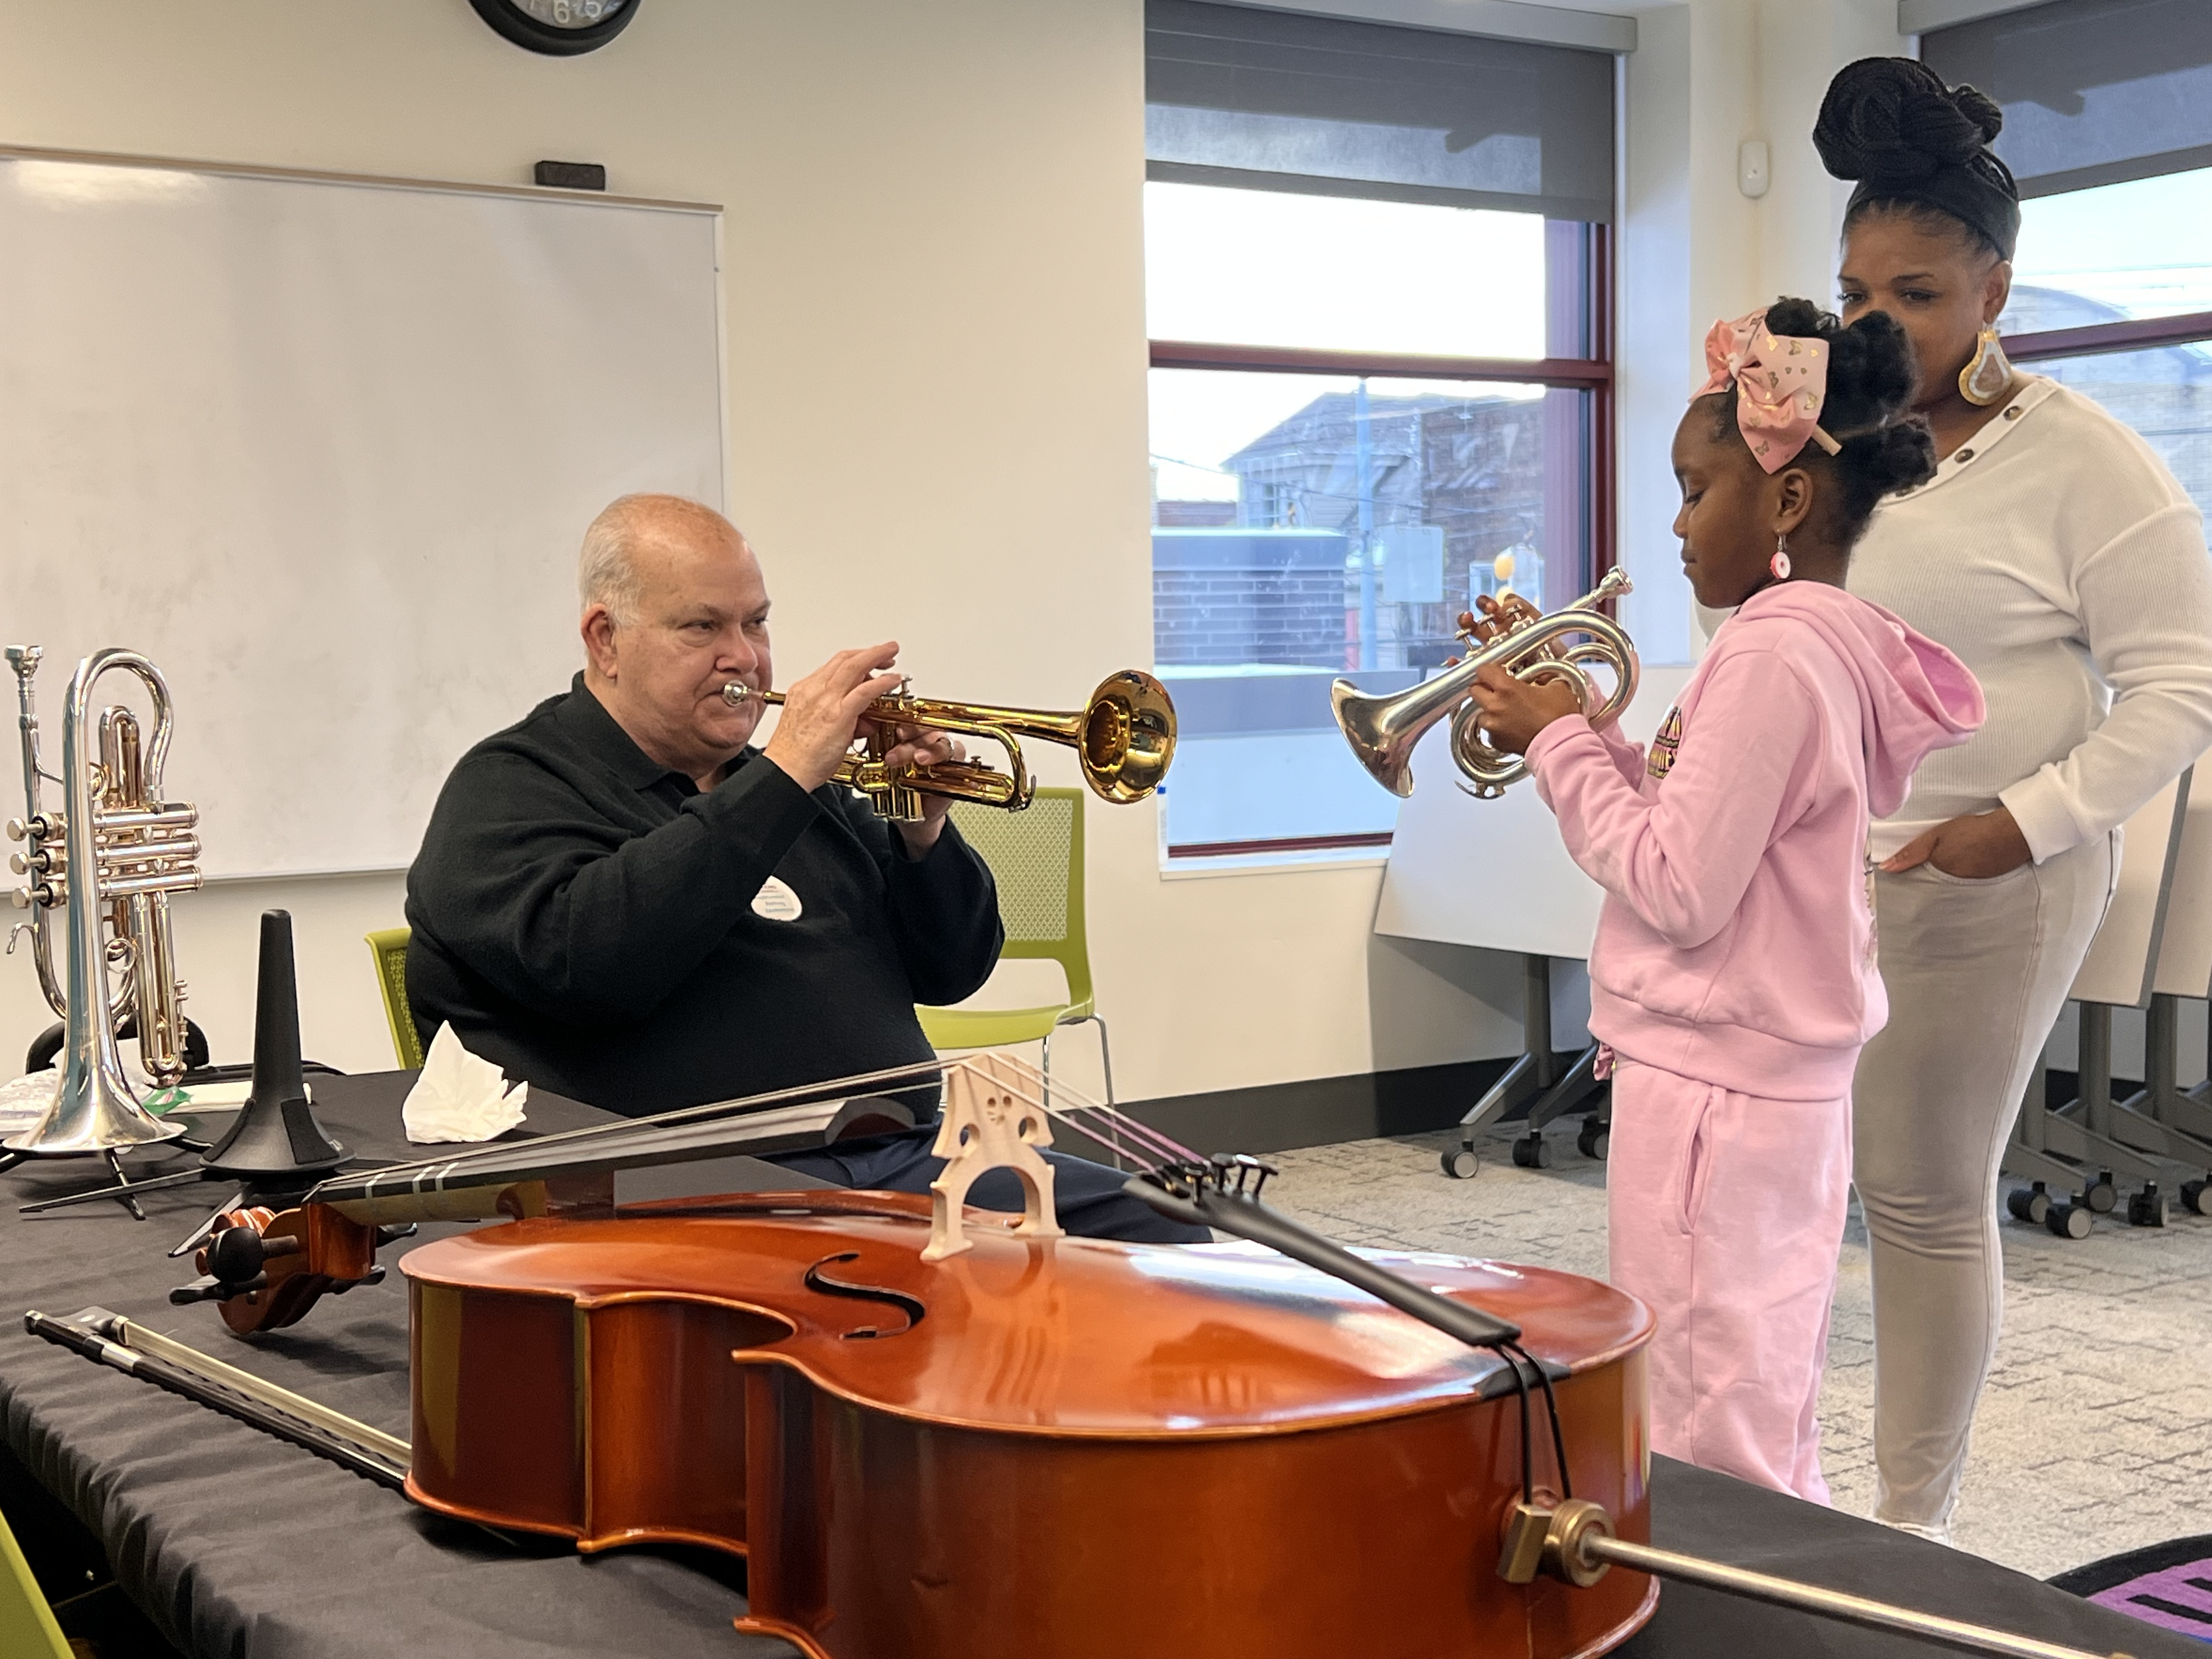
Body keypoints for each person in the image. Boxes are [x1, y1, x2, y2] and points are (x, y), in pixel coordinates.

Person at [1469, 300, 1982, 1500]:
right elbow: (1706, 829)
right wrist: (1589, 726)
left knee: (1702, 1429)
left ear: (1789, 501)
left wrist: (1557, 750)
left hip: (1718, 1095)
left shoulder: (1766, 652)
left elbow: (1676, 886)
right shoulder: (1820, 643)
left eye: (1697, 490)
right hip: (1760, 1091)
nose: (1679, 521)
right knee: (1754, 1396)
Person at [405, 493, 1204, 1244]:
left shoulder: (798, 794)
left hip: (902, 1160)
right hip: (681, 1194)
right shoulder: (512, 787)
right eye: (702, 629)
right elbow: (595, 964)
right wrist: (781, 777)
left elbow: (954, 971)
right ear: (605, 639)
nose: (744, 659)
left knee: (1173, 1229)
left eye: (756, 623)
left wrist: (925, 836)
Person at [1816, 58, 2212, 1541]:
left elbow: (2181, 688)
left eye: (1918, 293)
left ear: (1994, 295)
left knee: (1920, 1195)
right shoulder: (1836, 449)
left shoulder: (2088, 461)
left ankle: (1915, 1527)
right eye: (1858, 288)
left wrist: (2019, 827)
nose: (1879, 323)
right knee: (1800, 1188)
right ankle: (1781, 1489)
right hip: (1811, 867)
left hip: (1992, 873)